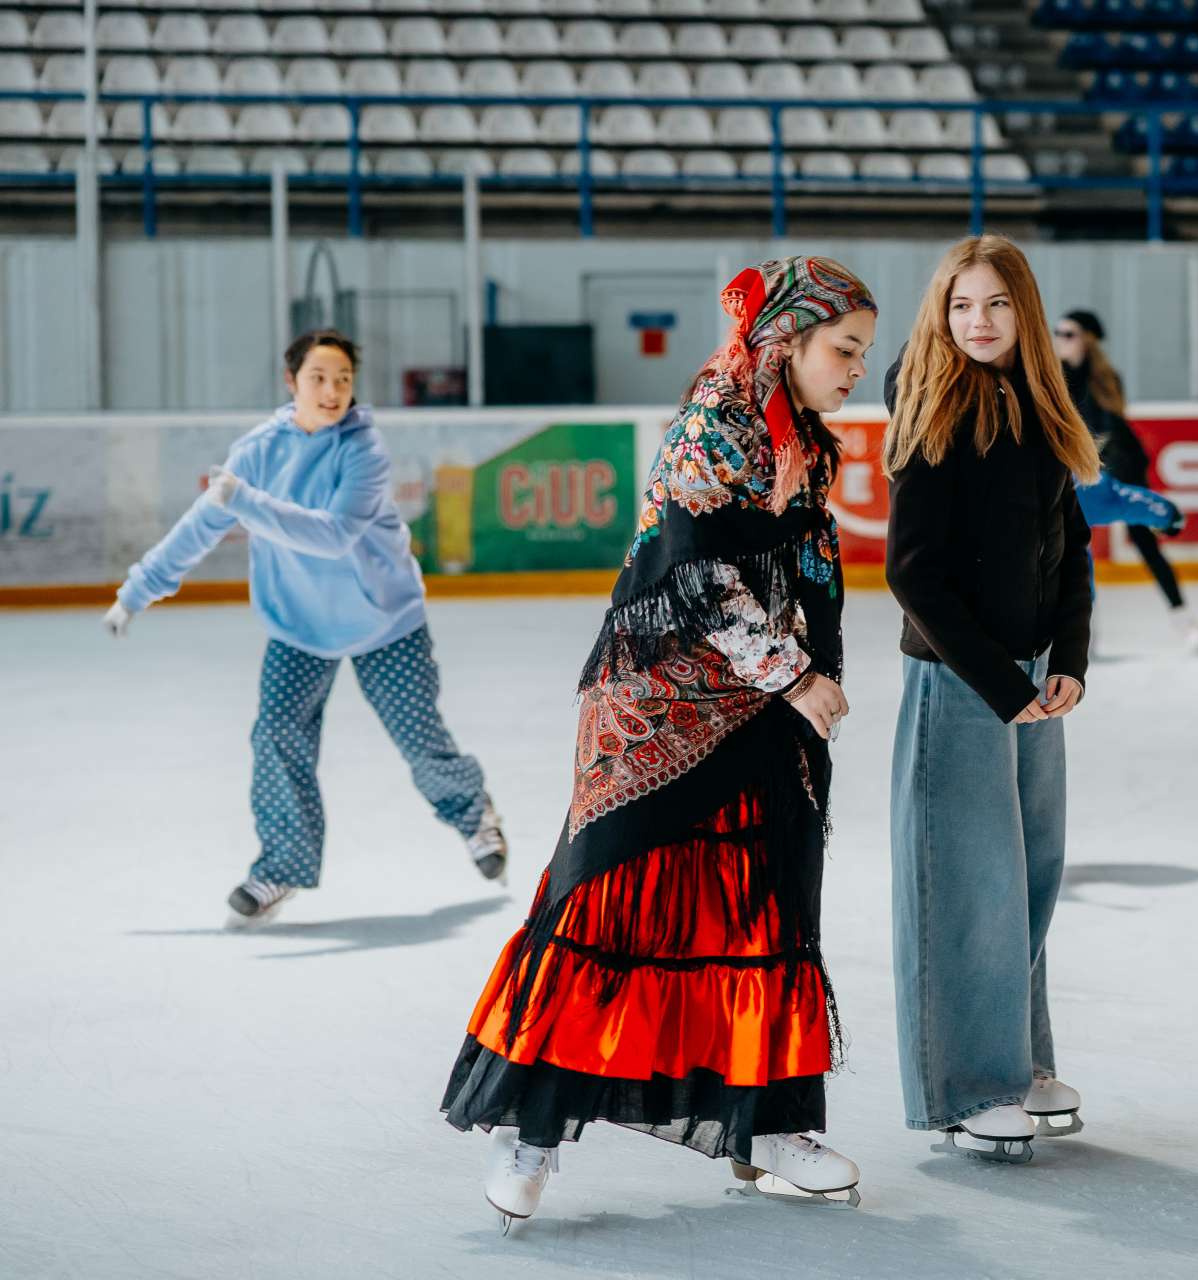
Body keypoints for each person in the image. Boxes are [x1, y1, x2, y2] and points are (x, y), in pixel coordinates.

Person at [441, 258, 875, 1228]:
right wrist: (795, 673)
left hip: (756, 704)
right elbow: (695, 573)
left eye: (861, 354)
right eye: (845, 350)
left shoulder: (803, 437)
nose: (857, 370)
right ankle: (533, 1129)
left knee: (763, 902)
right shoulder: (712, 423)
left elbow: (804, 567)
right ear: (787, 342)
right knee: (611, 904)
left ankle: (770, 1123)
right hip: (655, 704)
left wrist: (804, 673)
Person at [102, 329, 505, 924]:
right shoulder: (257, 453)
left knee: (419, 737)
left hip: (384, 621)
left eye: (343, 378)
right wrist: (137, 591)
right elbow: (198, 528)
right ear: (291, 382)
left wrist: (246, 502)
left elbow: (333, 534)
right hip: (298, 627)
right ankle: (281, 867)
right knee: (276, 736)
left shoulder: (363, 449)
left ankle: (475, 816)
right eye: (318, 378)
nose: (332, 390)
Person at [883, 234, 1100, 1163]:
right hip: (963, 680)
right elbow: (913, 574)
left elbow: (1072, 543)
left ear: (1025, 313)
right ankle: (970, 1087)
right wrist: (1002, 686)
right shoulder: (932, 403)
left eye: (997, 304)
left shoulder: (1042, 402)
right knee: (971, 888)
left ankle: (1018, 1062)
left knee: (1029, 879)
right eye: (962, 305)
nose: (978, 321)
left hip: (1031, 679)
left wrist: (1069, 658)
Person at [1054, 309, 1198, 655]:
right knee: (1075, 547)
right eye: (1057, 333)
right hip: (1084, 469)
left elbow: (1111, 427)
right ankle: (1086, 636)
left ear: (1088, 339)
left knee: (1145, 543)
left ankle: (1185, 621)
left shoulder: (1106, 379)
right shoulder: (1053, 378)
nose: (1060, 340)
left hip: (1119, 464)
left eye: (1068, 334)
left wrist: (1110, 471)